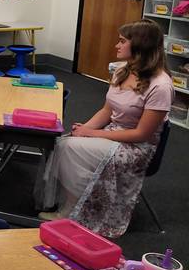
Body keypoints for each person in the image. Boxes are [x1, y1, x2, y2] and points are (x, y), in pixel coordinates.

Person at [37, 19, 174, 238]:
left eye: (122, 41)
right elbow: (107, 111)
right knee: (64, 142)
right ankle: (75, 206)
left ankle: (73, 211)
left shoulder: (161, 86)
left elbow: (142, 134)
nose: (116, 46)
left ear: (140, 45)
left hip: (136, 147)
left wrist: (90, 133)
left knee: (70, 148)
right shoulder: (123, 70)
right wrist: (82, 130)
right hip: (113, 133)